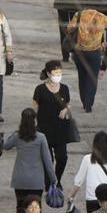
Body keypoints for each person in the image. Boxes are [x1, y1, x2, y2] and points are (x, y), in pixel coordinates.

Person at [4, 108, 56, 213]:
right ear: (34, 121)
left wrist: (14, 132)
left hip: (20, 179)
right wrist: (53, 179)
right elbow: (48, 160)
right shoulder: (41, 137)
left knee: (21, 208)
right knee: (35, 209)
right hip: (36, 181)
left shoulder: (17, 136)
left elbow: (6, 145)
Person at [32, 60, 72, 189]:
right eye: (55, 72)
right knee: (48, 160)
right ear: (48, 73)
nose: (58, 75)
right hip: (44, 130)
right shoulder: (40, 89)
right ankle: (49, 182)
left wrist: (66, 109)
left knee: (62, 158)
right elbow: (34, 109)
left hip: (60, 130)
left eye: (60, 72)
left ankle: (57, 179)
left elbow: (68, 104)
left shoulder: (64, 88)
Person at [66, 6, 107, 112]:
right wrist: (106, 40)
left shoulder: (78, 15)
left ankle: (84, 100)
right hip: (95, 52)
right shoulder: (102, 17)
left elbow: (69, 28)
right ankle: (89, 102)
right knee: (92, 78)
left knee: (82, 77)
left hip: (79, 52)